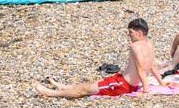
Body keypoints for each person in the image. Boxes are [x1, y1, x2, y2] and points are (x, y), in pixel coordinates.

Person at [35, 19, 163, 98]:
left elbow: (141, 69)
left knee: (84, 90)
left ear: (139, 33)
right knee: (90, 84)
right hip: (122, 81)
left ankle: (51, 93)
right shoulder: (149, 43)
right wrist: (161, 82)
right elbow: (152, 65)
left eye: (131, 32)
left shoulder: (135, 46)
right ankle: (64, 87)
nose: (129, 35)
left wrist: (146, 91)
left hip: (122, 85)